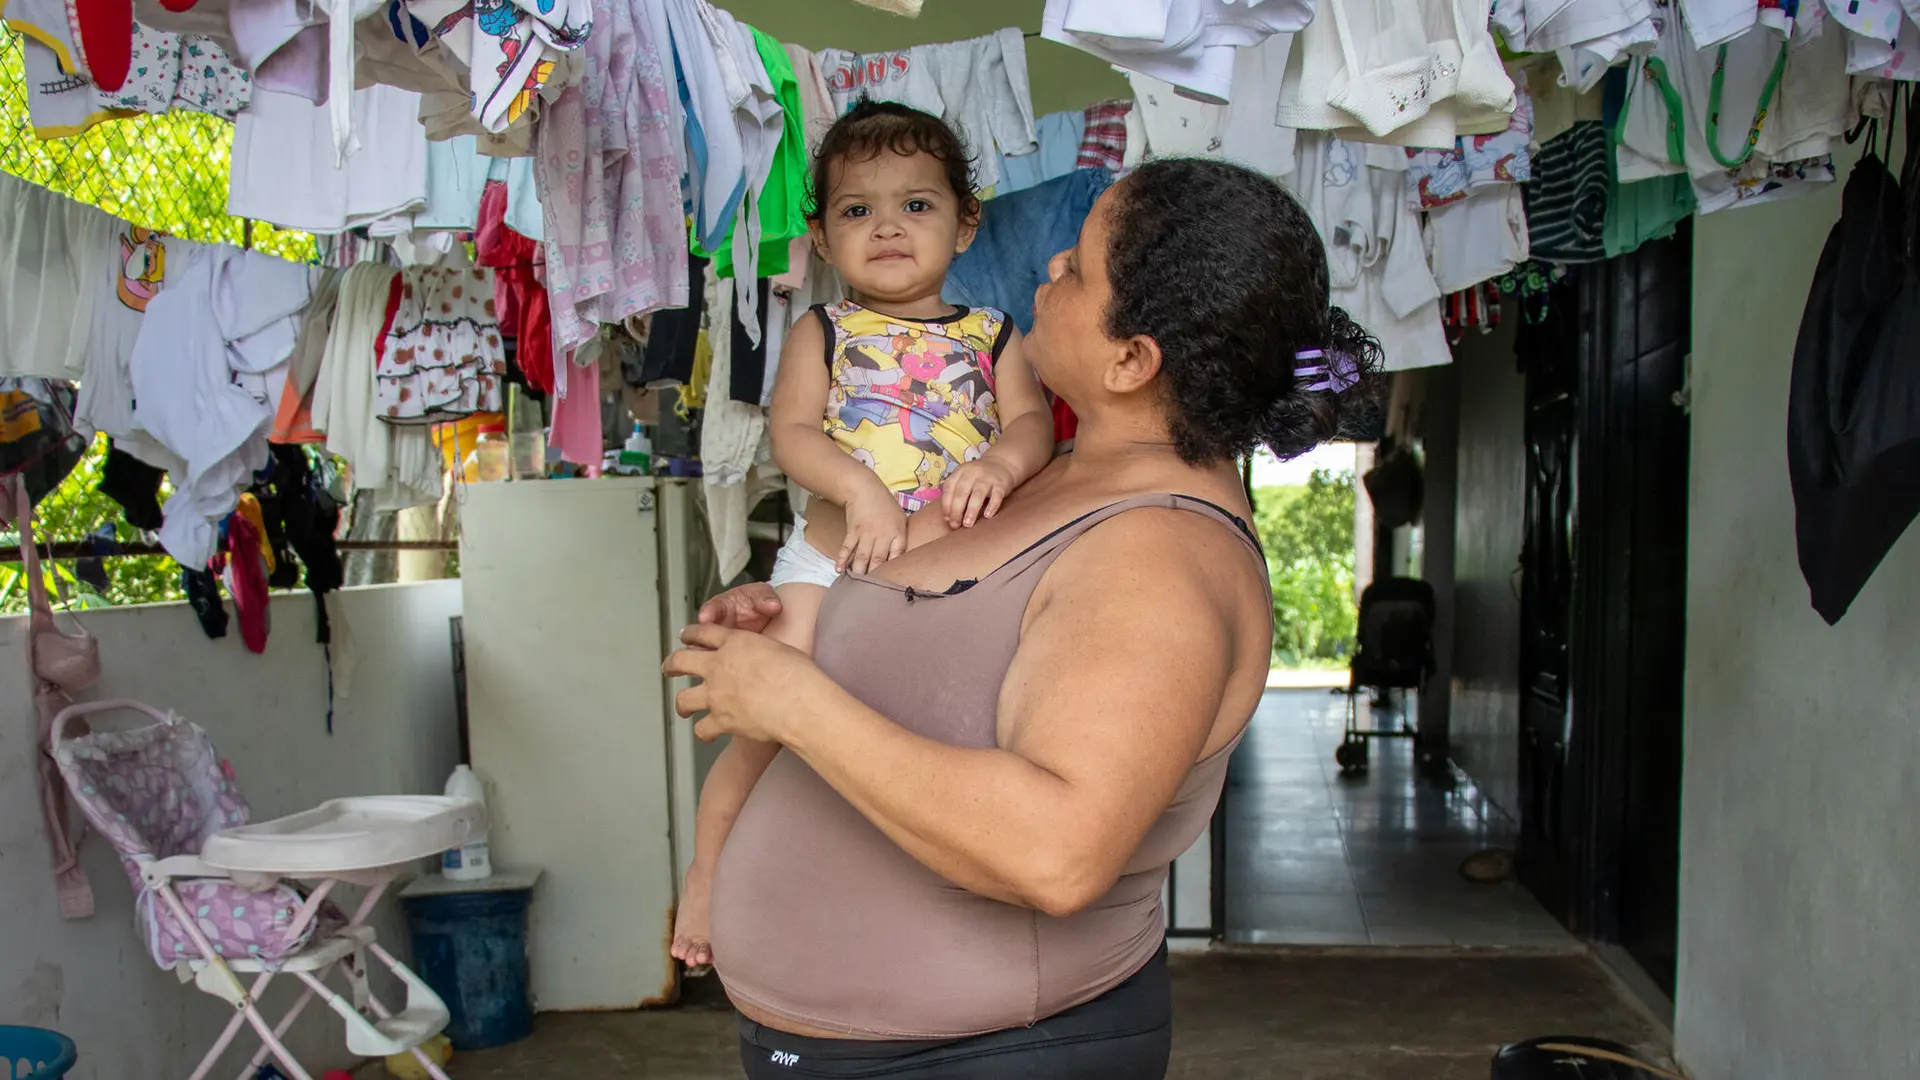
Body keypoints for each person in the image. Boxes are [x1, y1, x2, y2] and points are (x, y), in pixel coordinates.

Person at [665, 155, 1380, 1079]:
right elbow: (940, 649)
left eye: (1077, 268)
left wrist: (793, 701)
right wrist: (800, 628)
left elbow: (1056, 852)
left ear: (1133, 359)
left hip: (984, 1054)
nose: (1046, 269)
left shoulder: (1157, 553)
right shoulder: (1053, 475)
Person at [670, 101, 1056, 970]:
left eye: (916, 205)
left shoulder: (995, 337)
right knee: (769, 715)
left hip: (947, 580)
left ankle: (901, 922)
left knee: (922, 735)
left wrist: (999, 467)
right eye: (857, 210)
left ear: (966, 224)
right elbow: (795, 435)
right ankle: (704, 873)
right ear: (820, 234)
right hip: (829, 561)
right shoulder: (825, 330)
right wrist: (864, 492)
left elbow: (1033, 428)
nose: (886, 226)